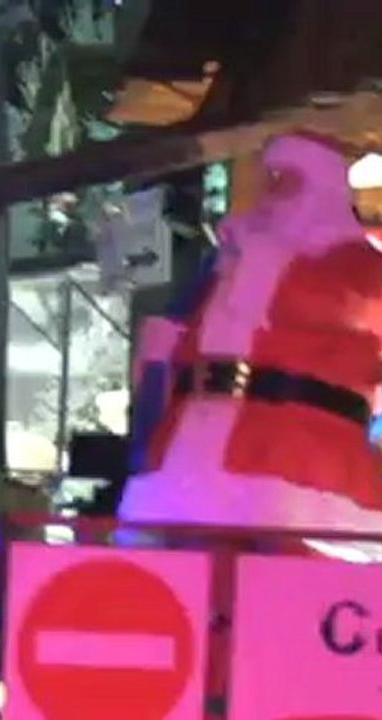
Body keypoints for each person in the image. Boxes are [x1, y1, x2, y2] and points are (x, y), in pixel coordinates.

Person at [119, 132, 382, 554]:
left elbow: (349, 309)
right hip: (191, 455)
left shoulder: (360, 268)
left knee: (289, 596)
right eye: (272, 178)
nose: (274, 192)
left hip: (305, 465)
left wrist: (272, 260)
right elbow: (170, 345)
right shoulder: (225, 262)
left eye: (289, 179)